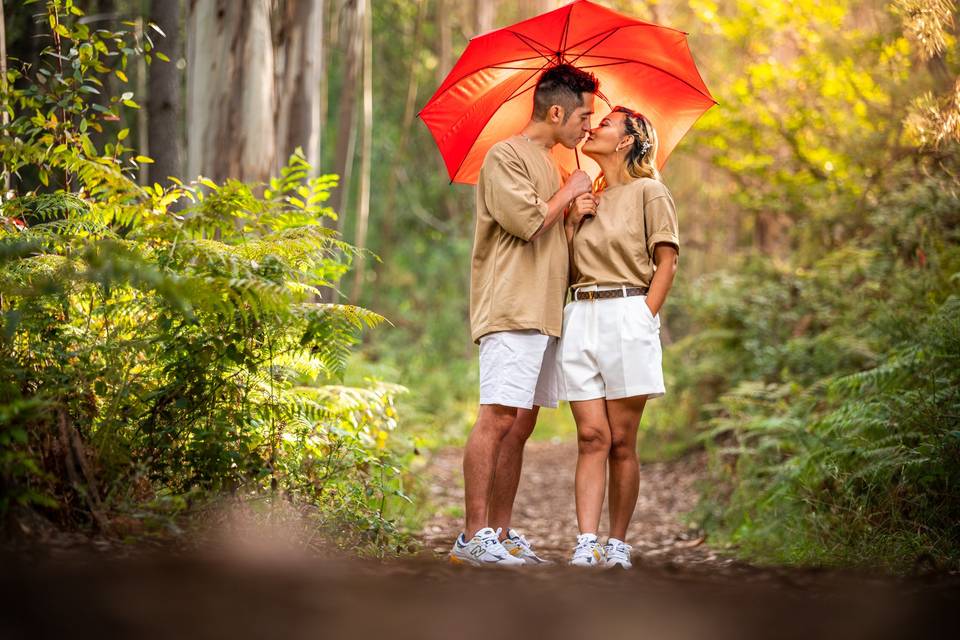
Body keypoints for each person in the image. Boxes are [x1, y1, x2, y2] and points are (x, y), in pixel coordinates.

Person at [449, 65, 597, 566]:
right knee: (496, 416)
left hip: (546, 311)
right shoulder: (504, 156)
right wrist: (570, 190)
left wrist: (575, 216)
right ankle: (472, 537)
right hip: (512, 305)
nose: (587, 127)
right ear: (556, 111)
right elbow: (530, 224)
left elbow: (557, 241)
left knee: (522, 423)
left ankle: (501, 531)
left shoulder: (555, 166)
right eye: (583, 116)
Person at [559, 106, 680, 569]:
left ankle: (617, 545)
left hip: (628, 313)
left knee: (623, 443)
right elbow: (567, 270)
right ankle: (586, 543)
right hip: (581, 315)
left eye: (605, 123)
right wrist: (572, 222)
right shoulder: (586, 197)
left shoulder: (651, 192)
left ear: (628, 140)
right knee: (591, 437)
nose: (593, 127)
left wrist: (643, 317)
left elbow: (666, 261)